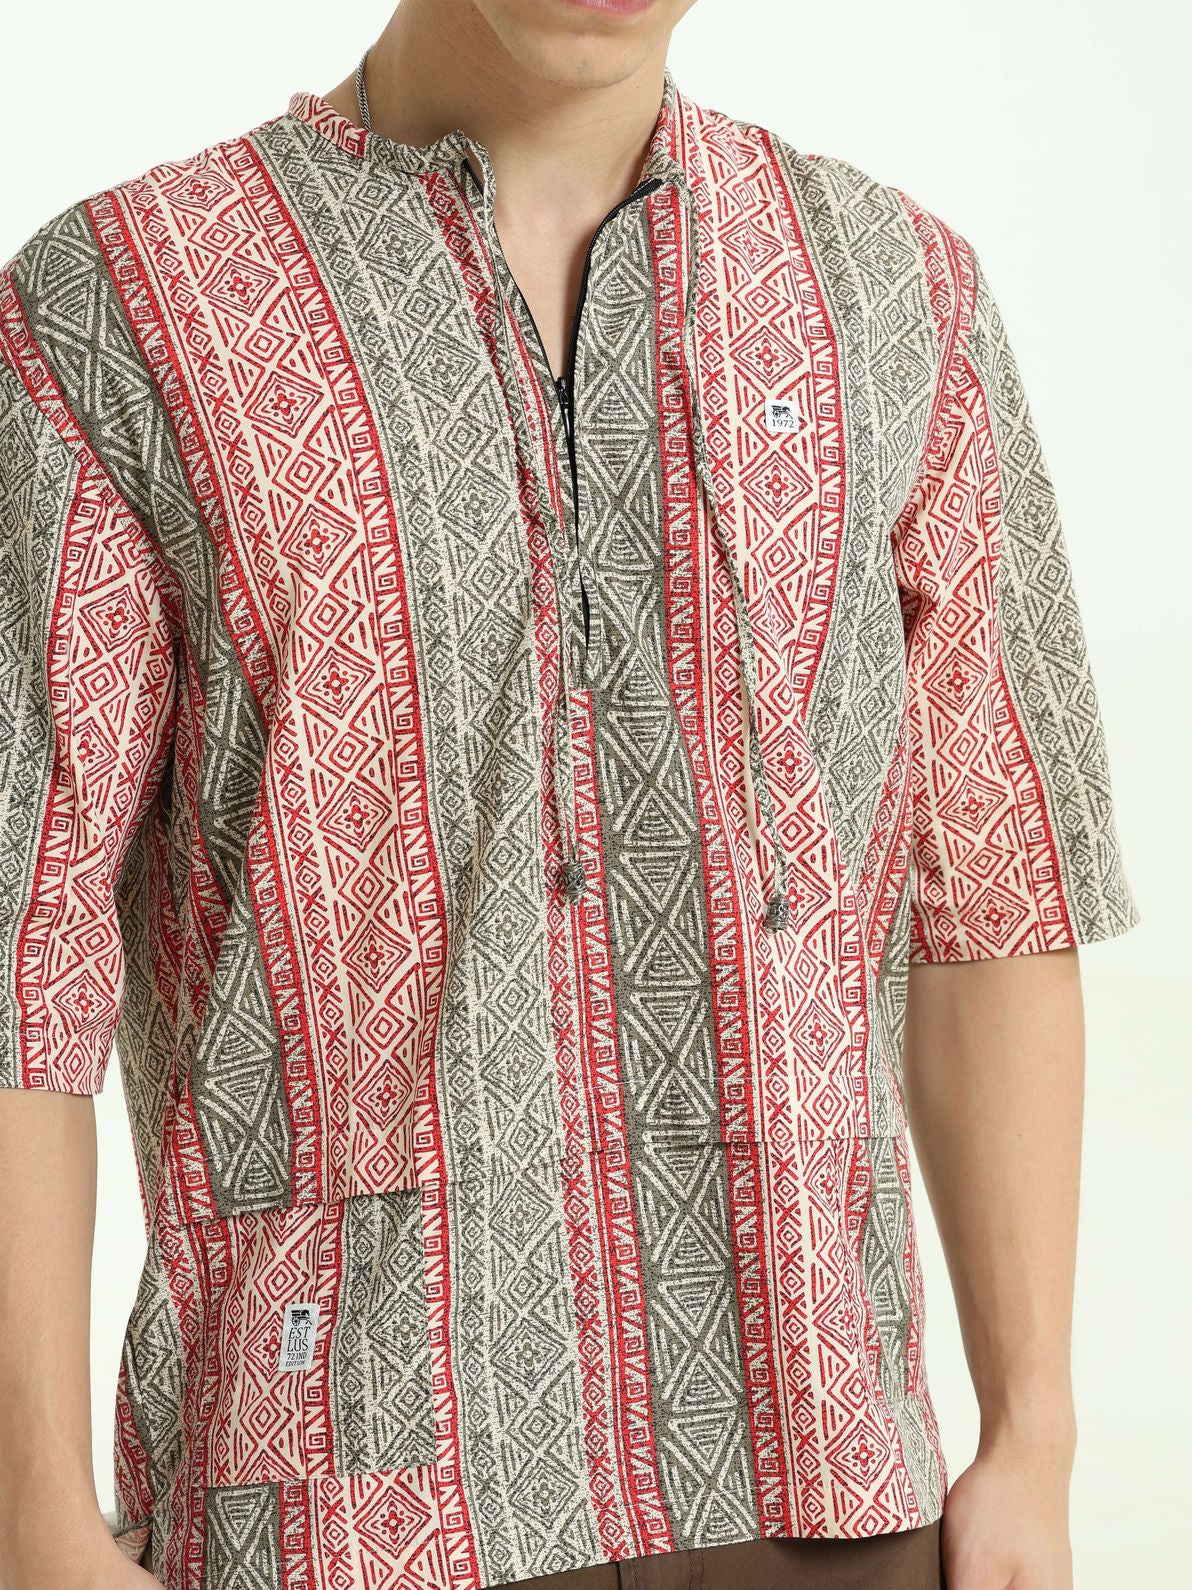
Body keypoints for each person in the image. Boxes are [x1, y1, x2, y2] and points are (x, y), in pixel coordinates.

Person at [0, 1, 1141, 1587]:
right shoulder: (123, 306)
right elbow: (23, 953)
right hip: (344, 1497)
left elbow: (999, 890)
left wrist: (1032, 1434)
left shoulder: (893, 294)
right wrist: (34, 1518)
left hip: (821, 1473)